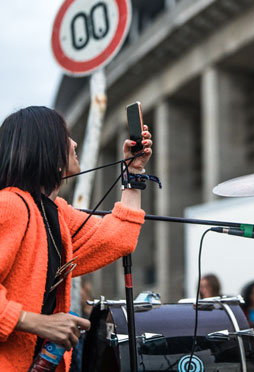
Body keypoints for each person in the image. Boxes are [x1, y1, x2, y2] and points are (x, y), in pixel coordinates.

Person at [0, 106, 153, 371]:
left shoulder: (57, 214)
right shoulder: (9, 205)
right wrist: (35, 322)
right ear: (46, 147)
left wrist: (134, 171)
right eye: (66, 136)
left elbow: (118, 238)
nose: (74, 143)